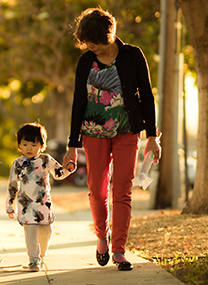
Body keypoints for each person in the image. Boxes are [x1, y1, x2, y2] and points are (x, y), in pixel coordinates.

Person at [63, 8, 162, 271]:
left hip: (127, 131)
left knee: (122, 189)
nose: (89, 46)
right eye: (86, 42)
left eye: (93, 42)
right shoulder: (85, 62)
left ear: (109, 35)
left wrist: (152, 136)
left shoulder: (133, 55)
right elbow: (78, 102)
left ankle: (119, 249)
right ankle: (101, 237)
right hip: (92, 133)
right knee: (97, 191)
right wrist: (72, 145)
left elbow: (147, 97)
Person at [6, 123, 75, 272]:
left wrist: (68, 170)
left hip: (43, 204)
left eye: (33, 144)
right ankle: (33, 259)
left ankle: (41, 255)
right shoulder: (17, 164)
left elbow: (58, 174)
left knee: (46, 232)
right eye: (25, 144)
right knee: (30, 233)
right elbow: (12, 185)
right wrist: (10, 205)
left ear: (41, 145)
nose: (29, 148)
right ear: (19, 145)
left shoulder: (45, 160)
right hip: (26, 206)